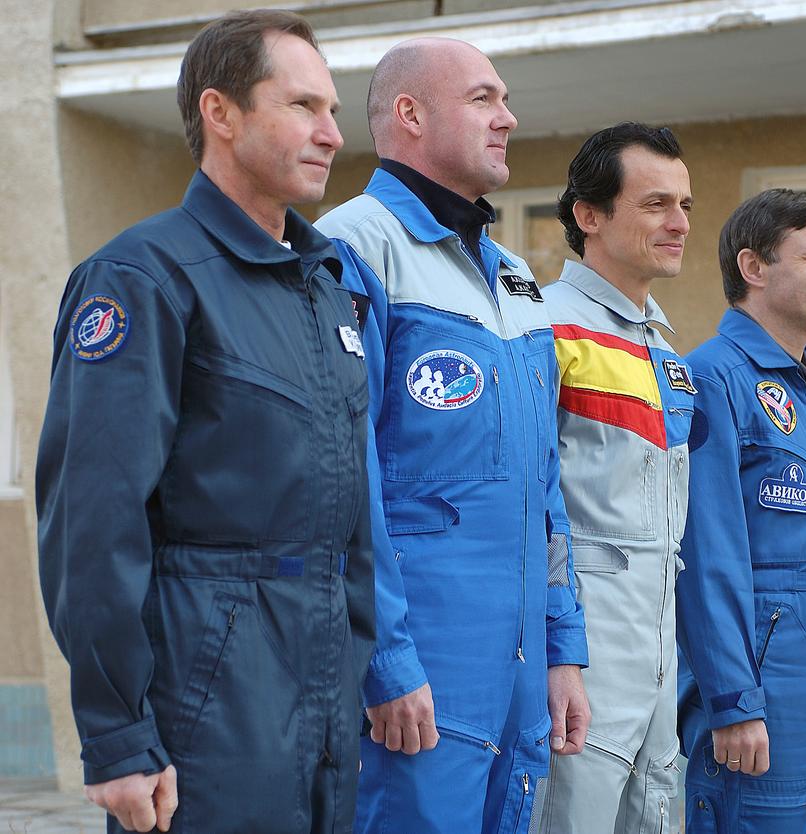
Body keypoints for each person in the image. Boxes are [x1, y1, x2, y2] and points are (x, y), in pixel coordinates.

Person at [36, 10, 373, 833]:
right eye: (302, 106)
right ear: (220, 113)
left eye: (332, 111)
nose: (330, 133)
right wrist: (117, 735)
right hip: (209, 704)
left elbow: (350, 519)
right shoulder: (144, 277)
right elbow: (94, 516)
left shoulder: (325, 288)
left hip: (326, 694)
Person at [314, 37, 589, 834]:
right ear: (410, 113)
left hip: (519, 674)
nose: (507, 117)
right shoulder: (353, 248)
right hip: (421, 671)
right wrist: (386, 660)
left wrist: (562, 646)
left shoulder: (514, 277)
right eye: (482, 98)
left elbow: (545, 487)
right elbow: (343, 478)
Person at [677, 188, 806, 834]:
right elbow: (707, 557)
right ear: (754, 268)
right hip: (762, 694)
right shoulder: (713, 377)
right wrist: (733, 702)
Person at [530, 123, 693, 834]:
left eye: (685, 204)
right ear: (588, 216)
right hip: (582, 656)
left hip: (660, 654)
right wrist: (555, 651)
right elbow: (531, 506)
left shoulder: (664, 346)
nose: (681, 223)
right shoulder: (543, 326)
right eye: (656, 204)